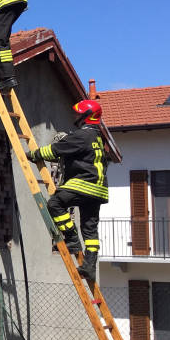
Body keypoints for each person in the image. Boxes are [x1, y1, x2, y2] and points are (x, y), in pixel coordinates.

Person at [27, 99, 108, 280]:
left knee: (55, 204)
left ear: (86, 116)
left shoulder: (82, 136)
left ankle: (71, 237)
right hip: (99, 190)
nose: (74, 116)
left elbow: (56, 150)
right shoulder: (98, 138)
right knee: (90, 229)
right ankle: (89, 266)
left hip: (83, 184)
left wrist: (34, 154)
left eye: (78, 113)